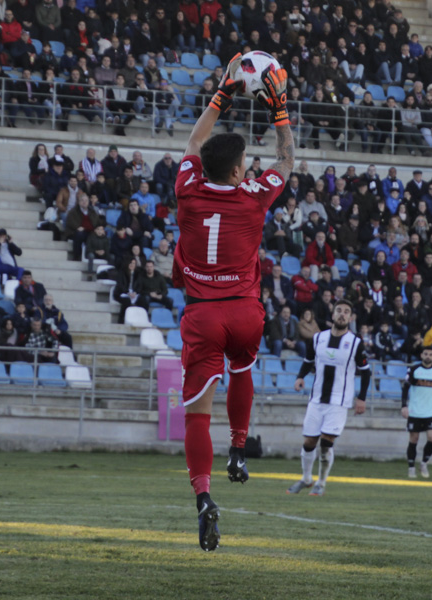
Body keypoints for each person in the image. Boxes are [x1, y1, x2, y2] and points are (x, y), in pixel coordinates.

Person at [173, 55, 292, 552]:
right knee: (242, 370)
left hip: (203, 312)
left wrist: (224, 91)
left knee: (197, 414)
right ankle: (239, 450)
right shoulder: (254, 196)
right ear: (241, 169)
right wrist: (279, 108)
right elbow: (286, 160)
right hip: (244, 311)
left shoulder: (187, 189)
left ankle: (203, 497)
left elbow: (195, 142)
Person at [286, 301, 371, 497]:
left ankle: (321, 483)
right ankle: (306, 478)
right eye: (339, 311)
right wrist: (300, 377)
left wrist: (362, 398)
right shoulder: (317, 338)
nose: (342, 314)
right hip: (316, 399)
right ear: (332, 315)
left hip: (339, 401)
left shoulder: (356, 343)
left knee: (326, 442)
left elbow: (366, 372)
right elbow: (308, 361)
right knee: (309, 441)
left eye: (346, 312)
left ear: (350, 318)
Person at [402, 347, 432, 479]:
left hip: (431, 412)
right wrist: (404, 406)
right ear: (422, 355)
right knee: (414, 439)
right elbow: (405, 388)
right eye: (426, 354)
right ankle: (411, 467)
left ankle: (424, 463)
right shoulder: (414, 370)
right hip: (415, 411)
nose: (428, 356)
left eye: (431, 354)